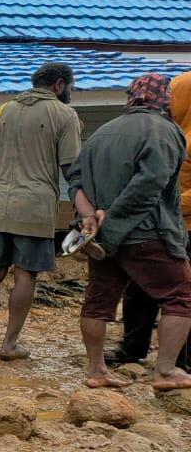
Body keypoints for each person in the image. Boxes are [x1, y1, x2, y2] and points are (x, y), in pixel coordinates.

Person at [67, 73, 191, 390]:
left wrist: (90, 220)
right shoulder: (166, 131)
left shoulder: (102, 133)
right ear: (164, 98)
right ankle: (165, 371)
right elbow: (148, 187)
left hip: (101, 241)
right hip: (150, 235)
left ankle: (97, 371)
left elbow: (75, 181)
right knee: (181, 297)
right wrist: (113, 224)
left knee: (98, 303)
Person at [0, 63, 81, 360]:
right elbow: (71, 168)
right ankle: (9, 344)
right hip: (35, 207)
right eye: (71, 87)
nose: (72, 92)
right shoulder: (64, 114)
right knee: (25, 276)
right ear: (59, 85)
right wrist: (86, 204)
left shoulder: (3, 110)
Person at [106, 70, 191, 369]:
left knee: (182, 293)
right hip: (159, 224)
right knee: (140, 287)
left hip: (179, 223)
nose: (167, 104)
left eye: (173, 98)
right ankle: (133, 347)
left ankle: (181, 360)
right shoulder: (166, 131)